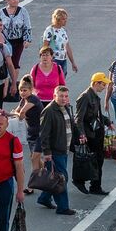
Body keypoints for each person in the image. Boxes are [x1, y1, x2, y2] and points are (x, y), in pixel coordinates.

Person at [36, 86, 77, 215]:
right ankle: (63, 207)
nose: (64, 99)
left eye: (66, 96)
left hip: (64, 149)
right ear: (54, 96)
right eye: (61, 96)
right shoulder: (49, 111)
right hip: (55, 152)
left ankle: (44, 198)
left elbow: (71, 124)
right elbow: (44, 134)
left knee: (55, 177)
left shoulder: (65, 107)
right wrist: (47, 152)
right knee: (61, 178)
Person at [73, 74, 111, 196]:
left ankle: (95, 186)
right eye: (103, 84)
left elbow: (97, 115)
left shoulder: (94, 96)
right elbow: (78, 118)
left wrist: (107, 122)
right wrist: (82, 135)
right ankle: (82, 182)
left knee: (97, 160)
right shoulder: (85, 97)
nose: (105, 87)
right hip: (90, 134)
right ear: (96, 83)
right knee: (88, 160)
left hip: (96, 132)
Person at [12, 76, 45, 183]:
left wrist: (16, 113)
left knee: (34, 158)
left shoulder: (33, 99)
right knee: (35, 157)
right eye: (21, 90)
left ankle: (32, 184)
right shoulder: (23, 100)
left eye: (25, 90)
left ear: (31, 90)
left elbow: (21, 114)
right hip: (31, 133)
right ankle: (46, 174)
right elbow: (17, 111)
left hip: (41, 132)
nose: (22, 92)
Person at [0, 0, 33, 70]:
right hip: (5, 41)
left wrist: (27, 40)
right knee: (5, 61)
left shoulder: (23, 11)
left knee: (15, 62)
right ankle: (7, 80)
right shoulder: (1, 12)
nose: (16, 1)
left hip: (18, 41)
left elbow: (27, 26)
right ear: (8, 0)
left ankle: (13, 81)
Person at [42, 9, 77, 76]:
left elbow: (67, 47)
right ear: (57, 20)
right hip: (54, 60)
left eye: (66, 19)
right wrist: (46, 61)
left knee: (62, 81)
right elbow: (45, 47)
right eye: (63, 19)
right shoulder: (49, 30)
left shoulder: (63, 31)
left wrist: (73, 62)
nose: (65, 21)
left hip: (63, 59)